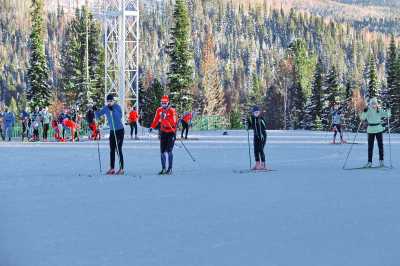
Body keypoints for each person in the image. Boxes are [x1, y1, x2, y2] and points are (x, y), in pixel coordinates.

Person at [95, 94, 125, 175]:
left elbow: (119, 117)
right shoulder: (106, 108)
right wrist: (95, 111)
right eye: (108, 101)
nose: (109, 103)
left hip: (119, 131)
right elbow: (98, 115)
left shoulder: (117, 107)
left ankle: (121, 168)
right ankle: (112, 168)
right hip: (112, 131)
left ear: (113, 101)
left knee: (118, 149)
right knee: (112, 150)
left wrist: (113, 111)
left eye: (111, 101)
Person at [150, 95, 177, 175]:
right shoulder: (159, 110)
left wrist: (166, 118)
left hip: (171, 132)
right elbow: (156, 120)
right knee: (162, 152)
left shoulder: (172, 111)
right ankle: (163, 168)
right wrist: (152, 127)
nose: (163, 105)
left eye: (165, 103)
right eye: (162, 103)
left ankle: (170, 169)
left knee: (169, 151)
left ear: (168, 103)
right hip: (163, 132)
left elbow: (174, 122)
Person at [360, 97, 391, 168]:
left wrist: (388, 108)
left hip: (379, 130)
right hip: (370, 130)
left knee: (380, 146)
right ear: (370, 104)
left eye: (375, 104)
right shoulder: (368, 110)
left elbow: (388, 115)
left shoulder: (379, 110)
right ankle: (369, 162)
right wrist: (364, 111)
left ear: (377, 104)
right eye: (372, 104)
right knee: (370, 147)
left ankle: (381, 161)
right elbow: (362, 118)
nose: (374, 105)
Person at [247, 106, 267, 170]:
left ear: (259, 112)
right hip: (256, 136)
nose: (256, 114)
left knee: (260, 149)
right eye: (255, 112)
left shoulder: (261, 118)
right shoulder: (251, 118)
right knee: (256, 150)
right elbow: (249, 125)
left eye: (257, 112)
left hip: (262, 136)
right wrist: (247, 125)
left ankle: (263, 165)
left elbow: (265, 126)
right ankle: (257, 164)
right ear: (253, 113)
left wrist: (261, 122)